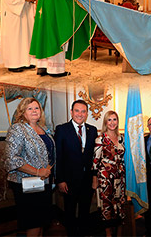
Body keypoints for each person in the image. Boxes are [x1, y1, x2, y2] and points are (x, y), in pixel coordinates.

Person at [30, 0, 114, 77]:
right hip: (57, 16)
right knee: (58, 36)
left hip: (45, 14)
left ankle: (43, 67)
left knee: (46, 37)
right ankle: (56, 70)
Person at [5, 97, 55, 236]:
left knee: (41, 222)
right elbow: (12, 159)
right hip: (27, 184)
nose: (34, 111)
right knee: (33, 222)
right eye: (30, 108)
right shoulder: (17, 129)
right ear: (22, 112)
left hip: (44, 183)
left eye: (37, 108)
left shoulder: (43, 129)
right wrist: (38, 172)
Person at [55, 99, 98, 236]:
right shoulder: (62, 129)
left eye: (83, 111)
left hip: (87, 180)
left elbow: (94, 157)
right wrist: (60, 180)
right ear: (71, 112)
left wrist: (94, 177)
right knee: (70, 212)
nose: (80, 114)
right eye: (77, 111)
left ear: (86, 114)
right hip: (69, 181)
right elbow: (58, 156)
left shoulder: (93, 130)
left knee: (85, 211)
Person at [92, 111, 126, 237]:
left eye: (114, 119)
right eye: (109, 120)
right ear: (106, 122)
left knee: (119, 204)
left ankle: (119, 232)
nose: (112, 122)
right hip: (105, 178)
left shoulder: (121, 138)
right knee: (107, 205)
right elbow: (95, 161)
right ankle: (108, 233)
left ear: (117, 121)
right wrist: (95, 180)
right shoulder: (100, 138)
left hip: (120, 177)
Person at [0, 0, 36, 72]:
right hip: (13, 16)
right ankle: (14, 64)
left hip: (25, 14)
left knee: (25, 38)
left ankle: (26, 62)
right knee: (15, 40)